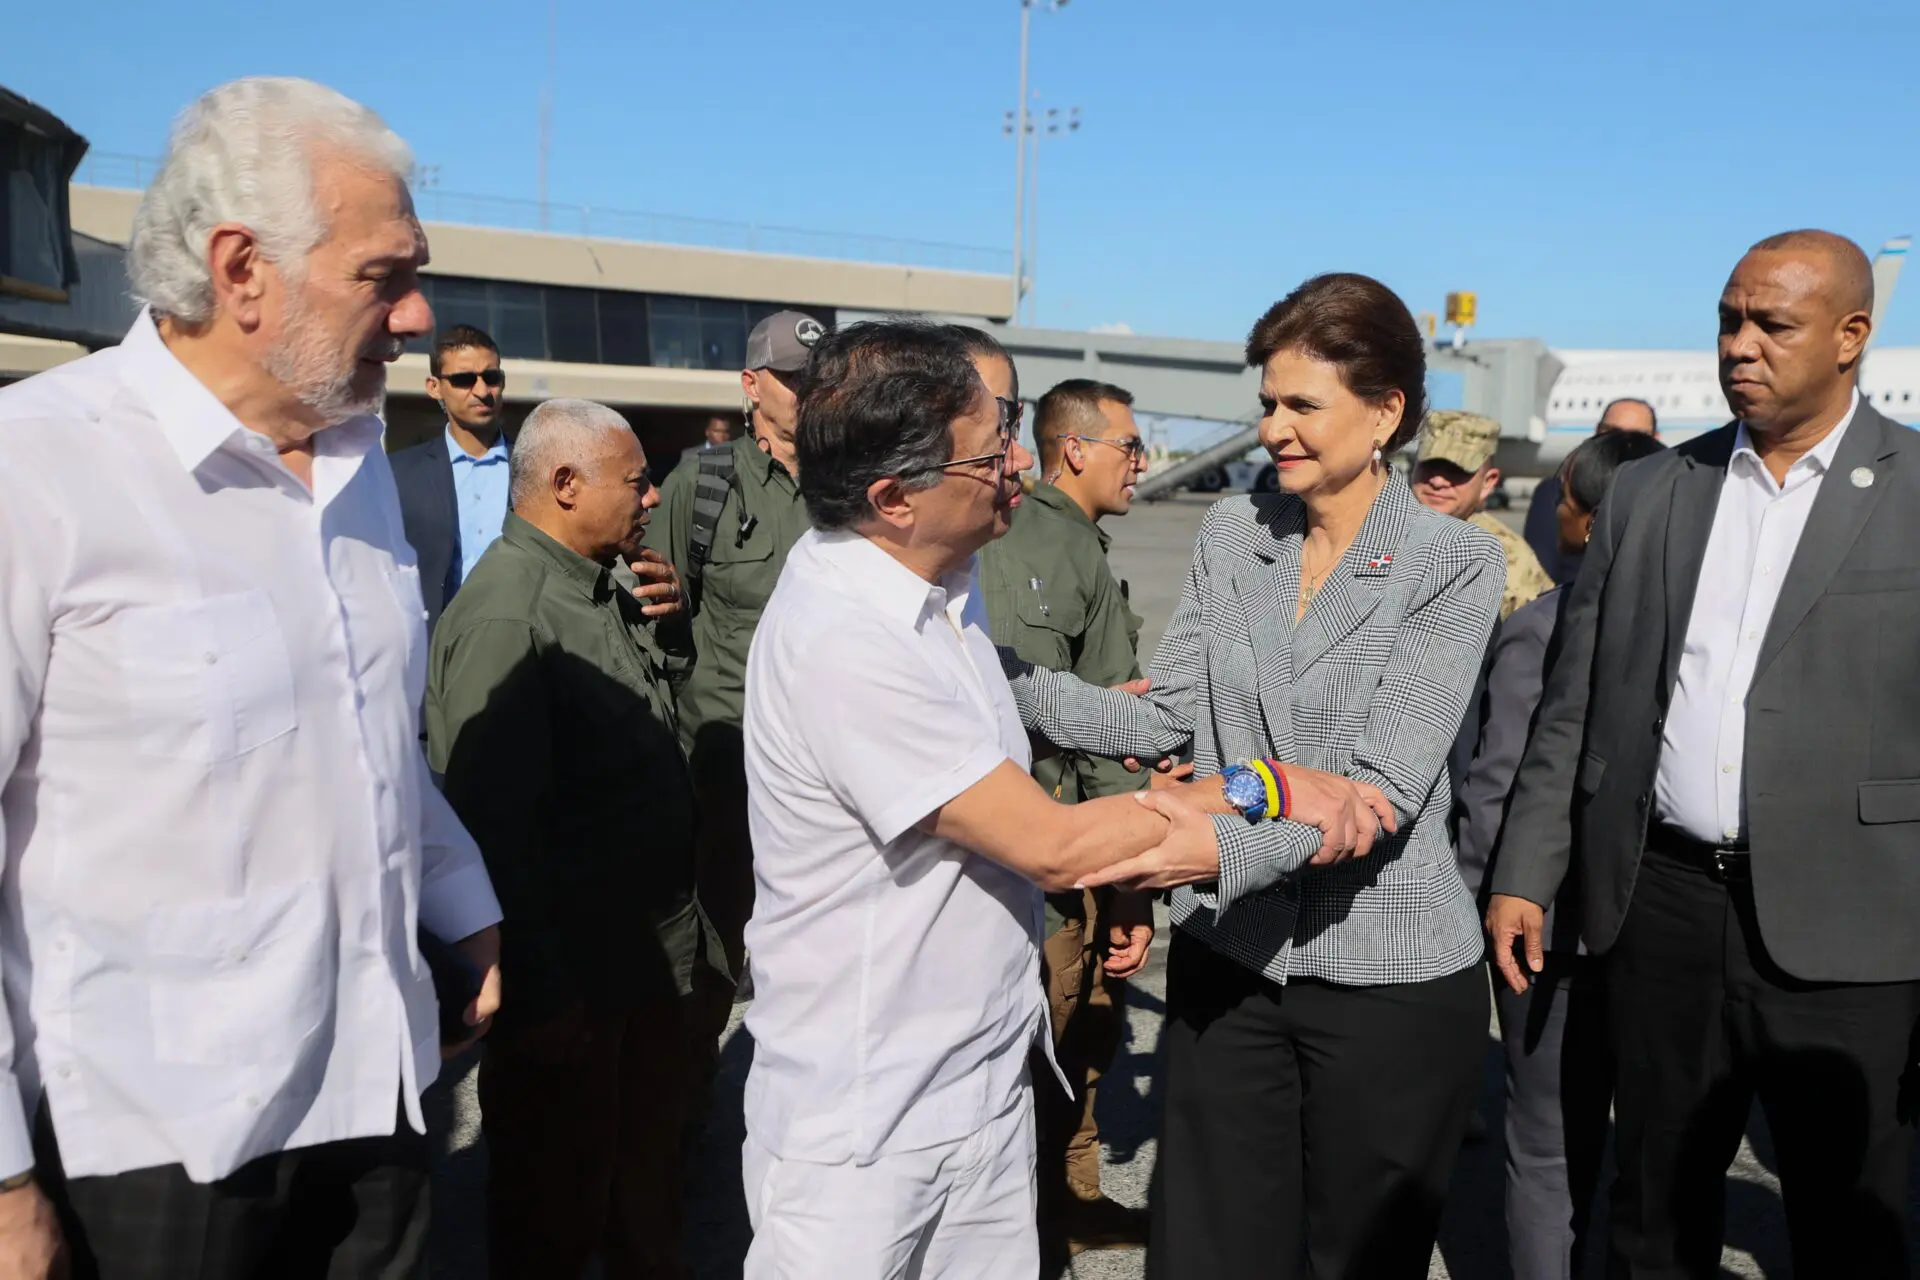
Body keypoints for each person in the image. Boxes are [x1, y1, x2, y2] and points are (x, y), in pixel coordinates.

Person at [0, 77, 504, 1277]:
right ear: (241, 270)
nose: (422, 313)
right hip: (153, 1142)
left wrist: (461, 899)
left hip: (377, 1100)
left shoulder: (362, 465)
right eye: (385, 275)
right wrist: (6, 1182)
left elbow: (362, 733)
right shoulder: (39, 468)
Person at [1002, 272, 1506, 1277]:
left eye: (1301, 404)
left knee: (1351, 1258)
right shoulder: (1237, 534)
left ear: (1387, 412)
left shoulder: (1450, 561)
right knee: (1207, 1251)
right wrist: (1001, 679)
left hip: (1384, 979)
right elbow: (1164, 714)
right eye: (1267, 402)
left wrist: (1198, 834)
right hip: (1232, 964)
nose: (1273, 426)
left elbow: (1378, 791)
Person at [1489, 230, 1920, 1278]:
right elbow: (1576, 703)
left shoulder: (1914, 492)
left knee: (1853, 1221)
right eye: (1729, 319)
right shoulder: (1654, 489)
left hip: (1856, 927)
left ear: (1853, 336)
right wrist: (1527, 869)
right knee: (1655, 1208)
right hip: (1665, 907)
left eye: (1771, 324)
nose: (1739, 345)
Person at [739, 320, 1176, 1278]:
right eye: (990, 453)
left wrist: (1126, 724)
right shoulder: (847, 638)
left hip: (977, 1087)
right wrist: (1264, 800)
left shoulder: (941, 591)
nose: (1019, 461)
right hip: (869, 1133)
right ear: (894, 497)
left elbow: (1025, 703)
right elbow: (1053, 847)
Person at [427, 398, 707, 1279]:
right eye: (635, 481)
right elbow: (495, 834)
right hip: (579, 986)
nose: (653, 497)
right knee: (555, 1209)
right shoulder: (511, 615)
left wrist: (674, 628)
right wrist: (545, 997)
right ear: (564, 483)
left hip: (637, 968)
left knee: (633, 1188)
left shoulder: (595, 582)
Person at [1456, 429, 1665, 1280]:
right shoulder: (1686, 627)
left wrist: (1474, 898)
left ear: (1581, 518)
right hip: (1664, 923)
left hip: (1542, 926)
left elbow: (1496, 788)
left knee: (1545, 1147)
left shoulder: (1541, 626)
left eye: (1566, 504)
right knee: (1653, 1154)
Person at [970, 359, 1155, 1262]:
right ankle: (1045, 1227)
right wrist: (1130, 886)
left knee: (1072, 1041)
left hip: (1036, 846)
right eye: (1128, 444)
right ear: (1072, 449)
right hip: (1062, 856)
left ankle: (1069, 1204)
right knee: (1061, 1039)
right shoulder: (1056, 546)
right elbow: (1101, 738)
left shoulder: (1036, 539)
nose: (1143, 461)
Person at [646, 309, 822, 1010]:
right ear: (752, 385)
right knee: (716, 946)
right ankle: (690, 1109)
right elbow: (658, 622)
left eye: (820, 379)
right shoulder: (703, 483)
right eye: (793, 380)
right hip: (727, 758)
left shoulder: (854, 487)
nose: (809, 394)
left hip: (827, 761)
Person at [390, 325, 509, 634]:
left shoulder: (535, 467)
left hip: (523, 648)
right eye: (464, 380)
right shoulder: (399, 473)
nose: (482, 391)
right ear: (434, 387)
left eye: (491, 378)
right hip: (434, 652)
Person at [1412, 409, 1553, 620]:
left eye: (1456, 470)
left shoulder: (1508, 560)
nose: (1438, 481)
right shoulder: (1377, 529)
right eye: (1430, 466)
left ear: (1488, 482)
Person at [1523, 398, 1658, 584]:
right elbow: (1539, 572)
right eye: (1610, 432)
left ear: (1655, 440)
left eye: (1635, 437)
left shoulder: (1668, 497)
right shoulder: (1554, 491)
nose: (1618, 445)